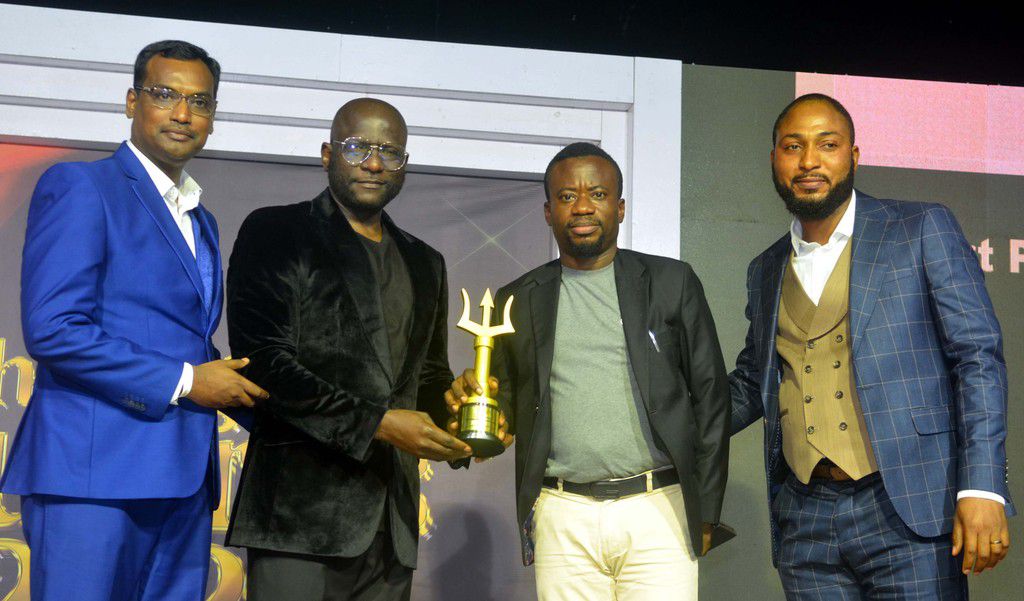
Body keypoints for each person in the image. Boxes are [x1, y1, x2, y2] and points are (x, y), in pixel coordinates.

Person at [0, 40, 267, 600]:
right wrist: (192, 381)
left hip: (183, 479)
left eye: (199, 101)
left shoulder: (204, 219)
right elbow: (53, 328)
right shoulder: (82, 187)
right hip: (92, 478)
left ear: (213, 119)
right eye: (164, 94)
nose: (182, 113)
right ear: (131, 101)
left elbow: (185, 337)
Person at [730, 93, 1014, 598]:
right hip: (806, 520)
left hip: (908, 509)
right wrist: (660, 421)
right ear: (774, 159)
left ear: (854, 156)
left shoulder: (921, 228)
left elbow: (977, 360)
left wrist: (983, 486)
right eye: (793, 146)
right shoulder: (764, 269)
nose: (809, 160)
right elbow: (754, 382)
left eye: (828, 144)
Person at [446, 142, 730, 600]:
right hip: (562, 512)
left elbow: (713, 401)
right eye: (565, 196)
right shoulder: (517, 298)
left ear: (619, 208)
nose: (581, 206)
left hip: (659, 508)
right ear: (547, 212)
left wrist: (706, 512)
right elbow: (501, 410)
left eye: (596, 195)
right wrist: (470, 416)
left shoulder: (672, 282)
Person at [225, 98, 475, 601]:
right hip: (299, 520)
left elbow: (424, 379)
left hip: (391, 527)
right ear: (327, 154)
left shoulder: (426, 261)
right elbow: (266, 366)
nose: (375, 163)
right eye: (358, 147)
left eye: (391, 152)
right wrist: (380, 424)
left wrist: (462, 418)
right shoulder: (276, 231)